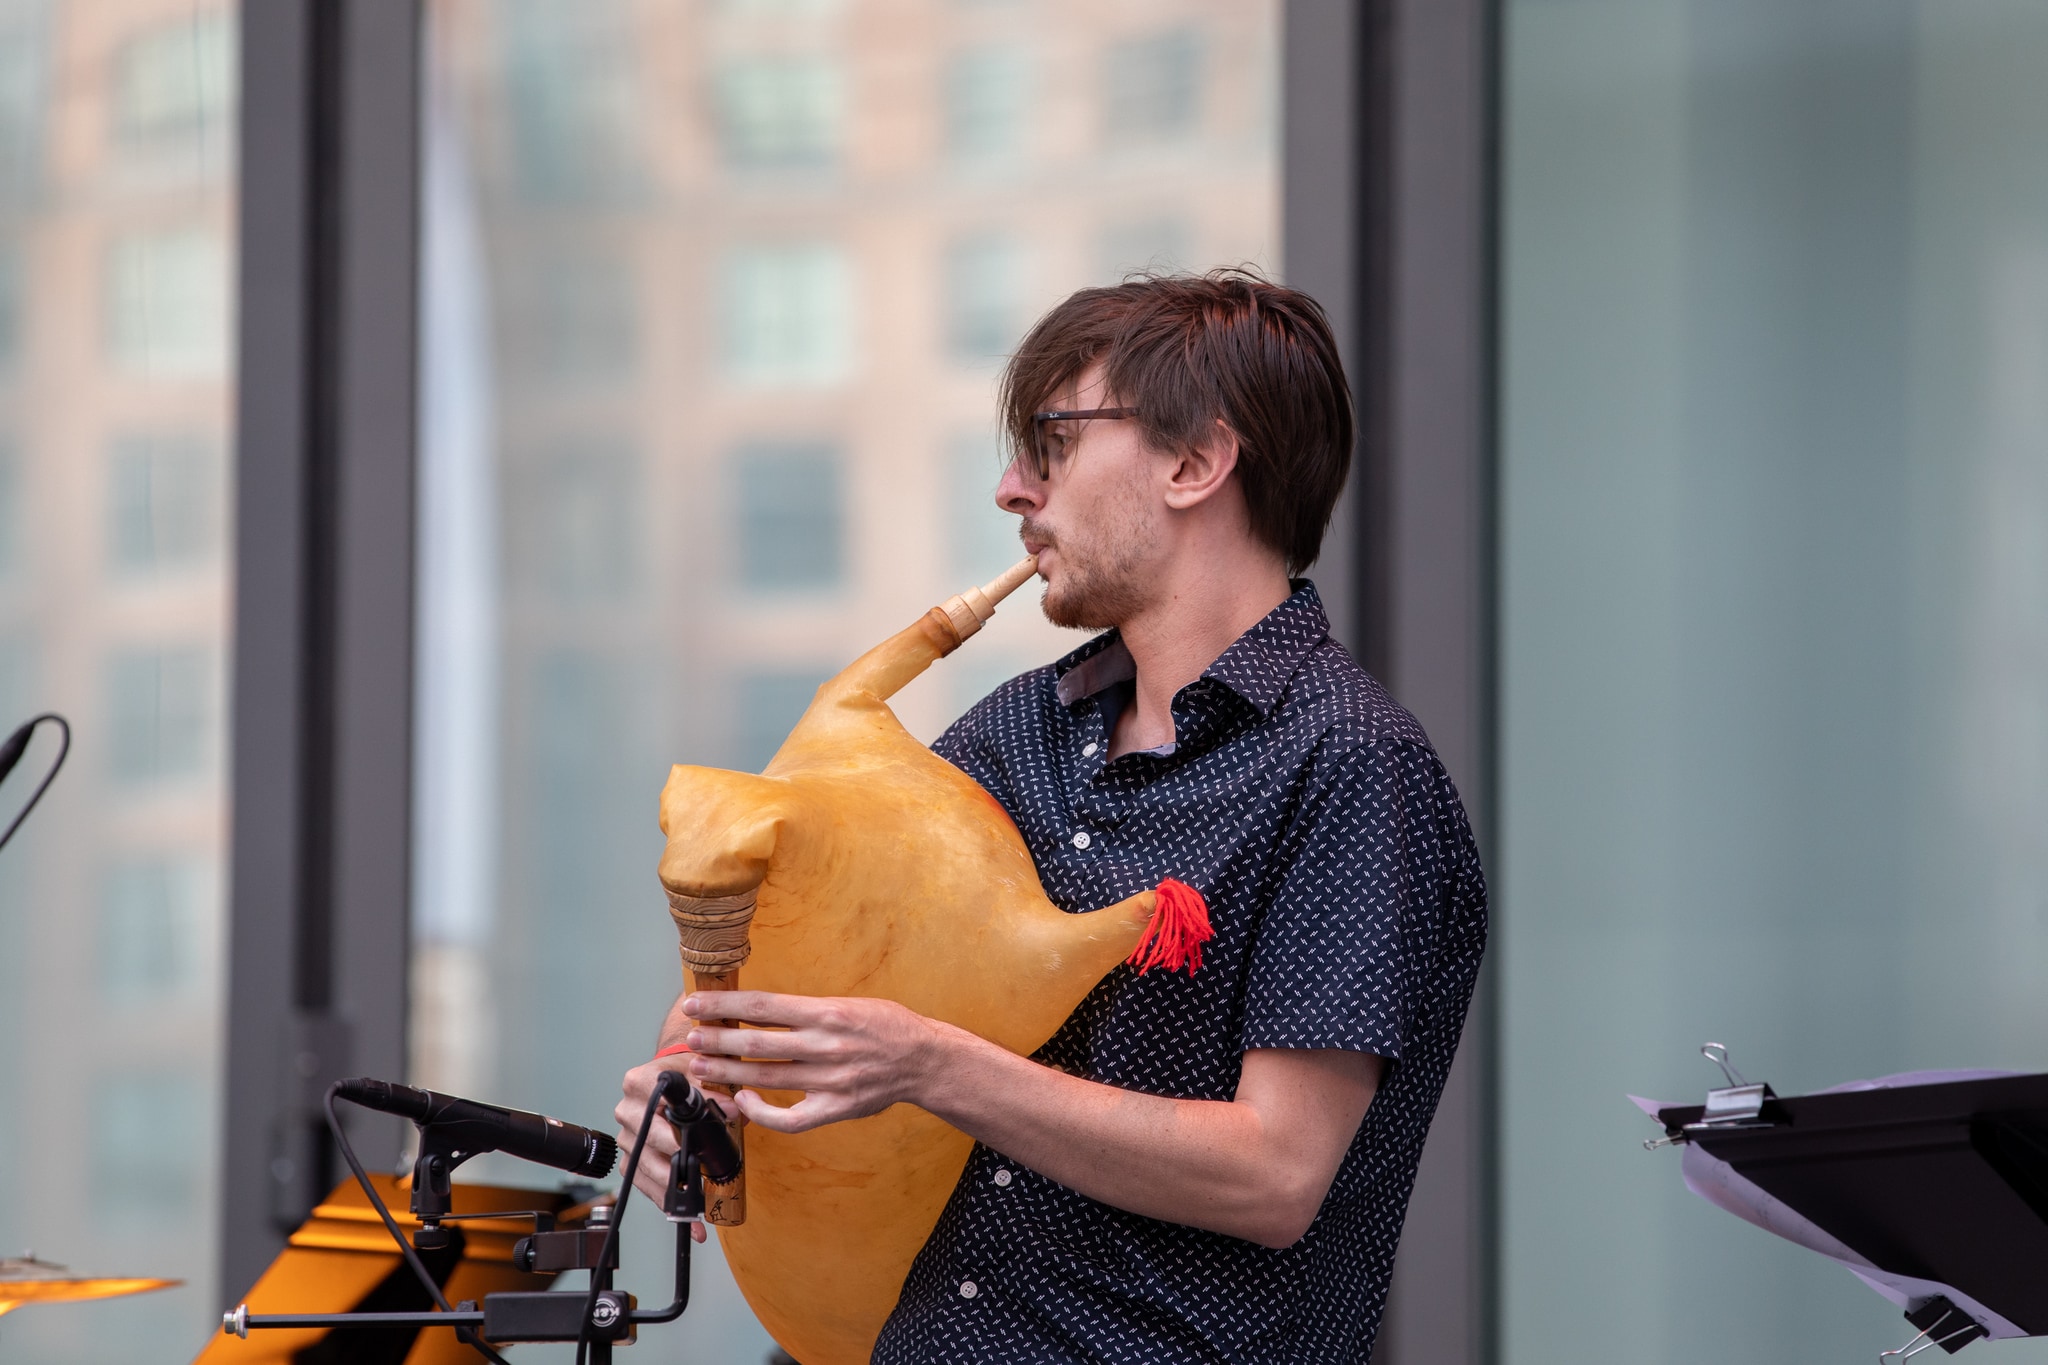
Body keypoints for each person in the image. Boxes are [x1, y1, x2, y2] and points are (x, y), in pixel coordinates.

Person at [618, 269, 1486, 1363]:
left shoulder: (1352, 768)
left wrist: (931, 1066)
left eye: (1052, 440)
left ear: (1193, 462)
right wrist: (699, 1084)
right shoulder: (1012, 731)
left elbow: (1273, 1173)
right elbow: (844, 997)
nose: (1010, 489)